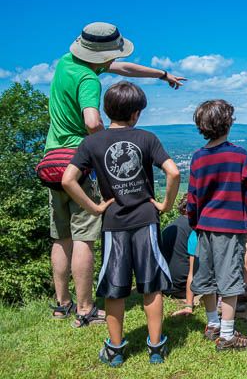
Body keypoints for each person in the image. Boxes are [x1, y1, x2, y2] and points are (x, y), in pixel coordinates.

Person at [46, 22, 185, 328]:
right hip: (79, 161)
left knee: (61, 236)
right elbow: (93, 121)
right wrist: (106, 142)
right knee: (84, 237)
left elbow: (123, 69)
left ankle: (62, 305)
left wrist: (161, 75)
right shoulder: (88, 80)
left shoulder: (67, 64)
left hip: (52, 161)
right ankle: (84, 309)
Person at [62, 81, 180, 366]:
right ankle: (155, 347)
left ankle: (115, 350)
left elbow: (67, 180)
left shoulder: (92, 142)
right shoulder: (147, 138)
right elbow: (173, 173)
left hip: (113, 223)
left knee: (114, 287)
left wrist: (95, 207)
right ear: (136, 113)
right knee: (151, 285)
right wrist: (165, 205)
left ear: (106, 109)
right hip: (146, 220)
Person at [187, 99, 247, 351]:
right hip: (230, 226)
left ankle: (212, 324)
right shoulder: (239, 155)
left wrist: (195, 223)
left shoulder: (197, 158)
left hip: (204, 226)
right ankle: (227, 335)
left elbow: (193, 197)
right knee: (229, 279)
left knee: (206, 276)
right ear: (228, 124)